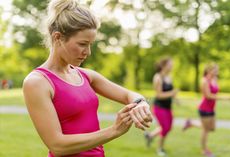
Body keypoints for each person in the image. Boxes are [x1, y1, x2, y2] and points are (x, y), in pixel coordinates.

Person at [22, 0, 152, 157]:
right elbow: (57, 146)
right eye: (83, 44)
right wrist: (114, 130)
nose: (88, 52)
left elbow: (128, 95)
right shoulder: (37, 82)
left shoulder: (85, 75)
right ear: (58, 38)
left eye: (90, 44)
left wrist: (140, 104)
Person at [182, 63, 230, 157]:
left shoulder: (215, 79)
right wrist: (223, 98)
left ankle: (191, 123)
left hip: (211, 108)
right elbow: (208, 96)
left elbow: (215, 91)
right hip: (204, 109)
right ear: (209, 70)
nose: (217, 72)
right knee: (205, 130)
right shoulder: (204, 81)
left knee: (212, 128)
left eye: (217, 70)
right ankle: (204, 150)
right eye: (215, 70)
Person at [144, 57, 178, 156]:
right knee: (165, 128)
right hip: (159, 107)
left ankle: (150, 136)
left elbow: (170, 92)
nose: (171, 66)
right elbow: (159, 94)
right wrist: (172, 93)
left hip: (168, 107)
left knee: (168, 127)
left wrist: (175, 98)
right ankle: (160, 149)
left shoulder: (169, 77)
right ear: (164, 65)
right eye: (170, 64)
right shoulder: (158, 77)